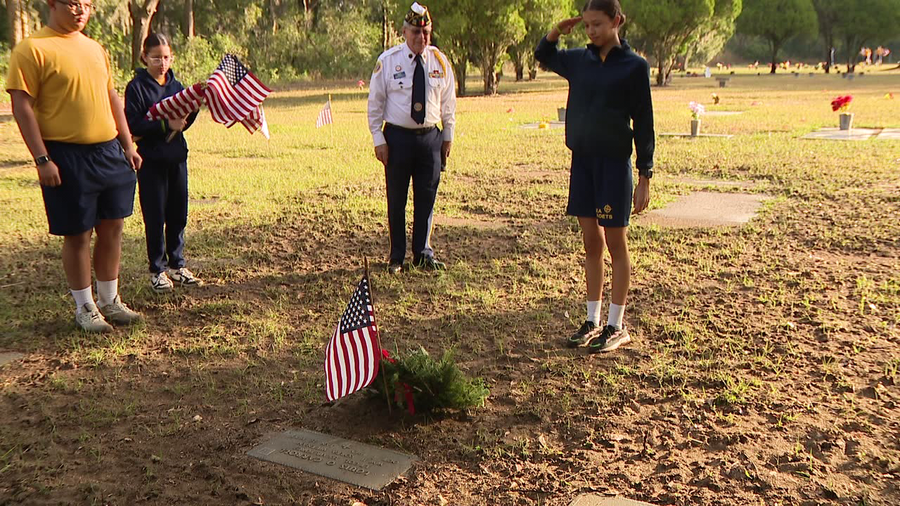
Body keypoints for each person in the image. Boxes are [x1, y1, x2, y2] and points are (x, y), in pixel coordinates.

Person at [6, 0, 143, 333]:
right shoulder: (32, 49)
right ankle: (85, 307)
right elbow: (21, 106)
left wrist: (127, 144)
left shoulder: (95, 48)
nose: (81, 11)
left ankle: (110, 299)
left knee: (113, 226)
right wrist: (42, 159)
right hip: (66, 156)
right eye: (72, 4)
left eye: (87, 5)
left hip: (109, 151)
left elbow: (110, 95)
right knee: (78, 233)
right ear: (52, 4)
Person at [535, 0, 655, 353]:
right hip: (582, 163)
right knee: (591, 242)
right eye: (587, 25)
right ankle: (592, 319)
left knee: (616, 243)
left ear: (617, 21)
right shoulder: (579, 60)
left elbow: (644, 123)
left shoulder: (635, 67)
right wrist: (559, 28)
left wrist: (644, 174)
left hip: (614, 165)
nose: (591, 31)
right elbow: (544, 53)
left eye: (598, 24)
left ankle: (616, 326)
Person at [367, 2, 456, 274]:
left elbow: (449, 103)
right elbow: (375, 103)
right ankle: (396, 257)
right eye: (416, 33)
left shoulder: (440, 61)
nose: (422, 38)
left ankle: (422, 253)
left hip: (430, 138)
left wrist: (448, 136)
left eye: (426, 32)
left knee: (426, 197)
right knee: (397, 198)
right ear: (404, 32)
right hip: (397, 138)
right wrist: (378, 138)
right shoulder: (388, 61)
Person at [125, 34, 202, 293]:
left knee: (178, 214)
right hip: (151, 162)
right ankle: (157, 269)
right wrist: (164, 125)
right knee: (155, 216)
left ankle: (177, 264)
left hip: (177, 158)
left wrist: (190, 113)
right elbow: (133, 125)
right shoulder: (136, 87)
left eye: (166, 57)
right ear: (144, 56)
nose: (162, 63)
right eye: (156, 57)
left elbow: (184, 121)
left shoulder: (175, 84)